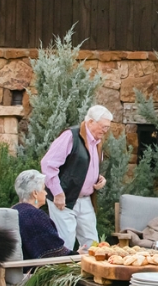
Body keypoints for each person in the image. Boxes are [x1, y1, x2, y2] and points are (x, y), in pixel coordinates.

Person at [41, 105, 112, 252]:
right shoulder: (70, 136)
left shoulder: (97, 142)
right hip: (64, 199)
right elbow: (48, 164)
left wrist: (98, 179)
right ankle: (61, 275)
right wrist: (58, 193)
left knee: (92, 244)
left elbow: (83, 167)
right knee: (65, 242)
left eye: (107, 128)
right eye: (103, 127)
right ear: (91, 122)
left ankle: (87, 274)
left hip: (85, 199)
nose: (105, 131)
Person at [12, 169, 73, 260]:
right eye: (44, 189)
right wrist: (78, 255)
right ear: (35, 193)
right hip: (34, 270)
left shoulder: (15, 209)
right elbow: (53, 253)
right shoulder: (33, 216)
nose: (46, 193)